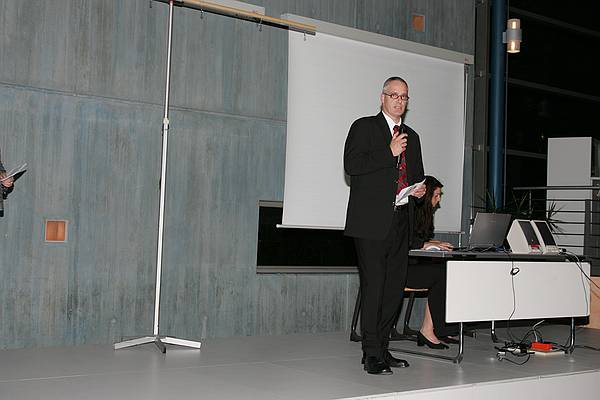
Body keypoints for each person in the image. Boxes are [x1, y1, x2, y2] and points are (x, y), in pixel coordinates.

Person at [344, 76, 425, 375]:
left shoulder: (412, 136)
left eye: (404, 97)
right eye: (394, 95)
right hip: (371, 223)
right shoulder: (364, 127)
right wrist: (388, 152)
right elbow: (352, 166)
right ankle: (370, 353)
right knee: (374, 286)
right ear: (382, 98)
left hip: (401, 220)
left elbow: (416, 174)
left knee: (393, 289)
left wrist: (419, 189)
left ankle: (383, 348)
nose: (399, 101)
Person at [406, 175, 457, 349]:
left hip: (415, 265)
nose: (439, 199)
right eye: (436, 195)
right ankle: (428, 330)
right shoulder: (409, 212)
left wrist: (434, 243)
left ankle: (440, 329)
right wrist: (425, 244)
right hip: (401, 269)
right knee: (442, 275)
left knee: (448, 271)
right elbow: (406, 240)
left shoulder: (426, 215)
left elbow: (421, 238)